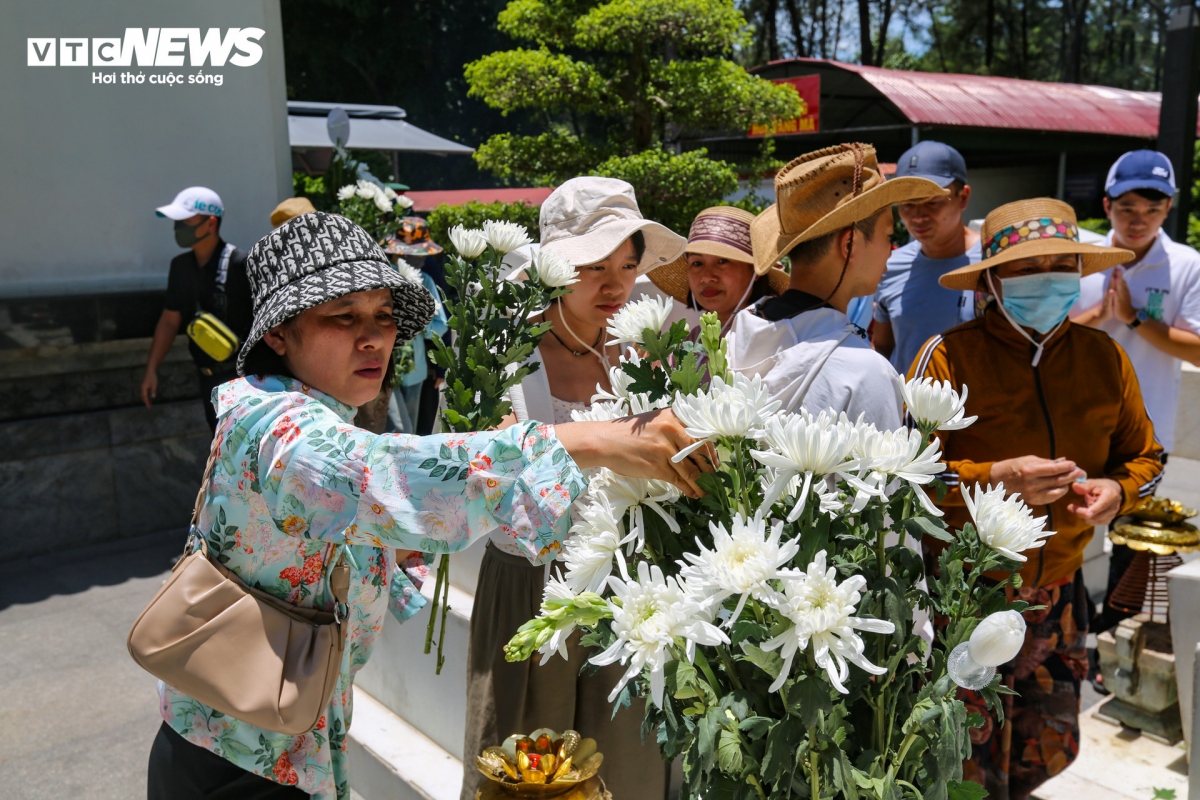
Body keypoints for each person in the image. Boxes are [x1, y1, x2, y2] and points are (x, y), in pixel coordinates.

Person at [145, 211, 710, 800]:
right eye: (343, 317)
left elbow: (360, 510)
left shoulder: (302, 411)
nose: (374, 338)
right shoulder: (277, 428)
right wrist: (598, 440)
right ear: (278, 334)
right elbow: (369, 475)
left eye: (385, 316)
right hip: (235, 755)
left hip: (277, 734)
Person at [908, 198, 1163, 799]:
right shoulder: (946, 356)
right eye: (1027, 267)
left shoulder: (1104, 358)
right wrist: (996, 477)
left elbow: (1147, 460)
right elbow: (906, 482)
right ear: (993, 280)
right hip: (963, 596)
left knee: (1043, 749)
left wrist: (1116, 492)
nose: (1046, 278)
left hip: (1059, 594)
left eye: (1060, 263)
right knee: (958, 759)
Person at [462, 177, 688, 800]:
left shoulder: (647, 347)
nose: (614, 285)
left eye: (628, 264)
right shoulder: (501, 349)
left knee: (629, 767)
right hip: (533, 583)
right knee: (523, 772)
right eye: (593, 266)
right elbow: (484, 465)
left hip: (632, 585)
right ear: (554, 266)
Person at [725, 143, 946, 429]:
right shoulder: (865, 372)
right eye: (887, 235)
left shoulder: (736, 337)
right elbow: (880, 474)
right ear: (849, 244)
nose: (892, 250)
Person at [1069, 151, 1200, 632]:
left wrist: (1134, 318)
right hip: (1078, 422)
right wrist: (1099, 317)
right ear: (1106, 206)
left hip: (1148, 430)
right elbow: (1053, 332)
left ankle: (1112, 639)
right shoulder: (1082, 259)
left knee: (1133, 539)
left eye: (1152, 209)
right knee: (1068, 531)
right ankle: (1072, 627)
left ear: (1169, 208)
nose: (1138, 220)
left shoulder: (1187, 265)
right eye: (1127, 208)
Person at [141, 186, 253, 432]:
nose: (178, 228)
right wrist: (151, 370)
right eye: (177, 221)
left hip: (246, 383)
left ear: (210, 223)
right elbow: (170, 320)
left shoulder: (241, 264)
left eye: (186, 221)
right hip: (208, 381)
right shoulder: (181, 267)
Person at [872, 141, 980, 372]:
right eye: (908, 205)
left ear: (963, 198)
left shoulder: (996, 263)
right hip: (908, 408)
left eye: (932, 203)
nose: (918, 217)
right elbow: (883, 348)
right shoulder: (890, 266)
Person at [648, 206, 788, 331]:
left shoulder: (776, 336)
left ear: (755, 272)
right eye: (697, 263)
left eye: (722, 261)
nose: (707, 277)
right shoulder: (687, 347)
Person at [382, 217, 450, 433]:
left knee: (409, 432)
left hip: (414, 368)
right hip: (383, 366)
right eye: (417, 254)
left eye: (424, 255)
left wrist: (416, 323)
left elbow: (441, 326)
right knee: (398, 430)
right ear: (398, 253)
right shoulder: (381, 278)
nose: (422, 260)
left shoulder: (426, 280)